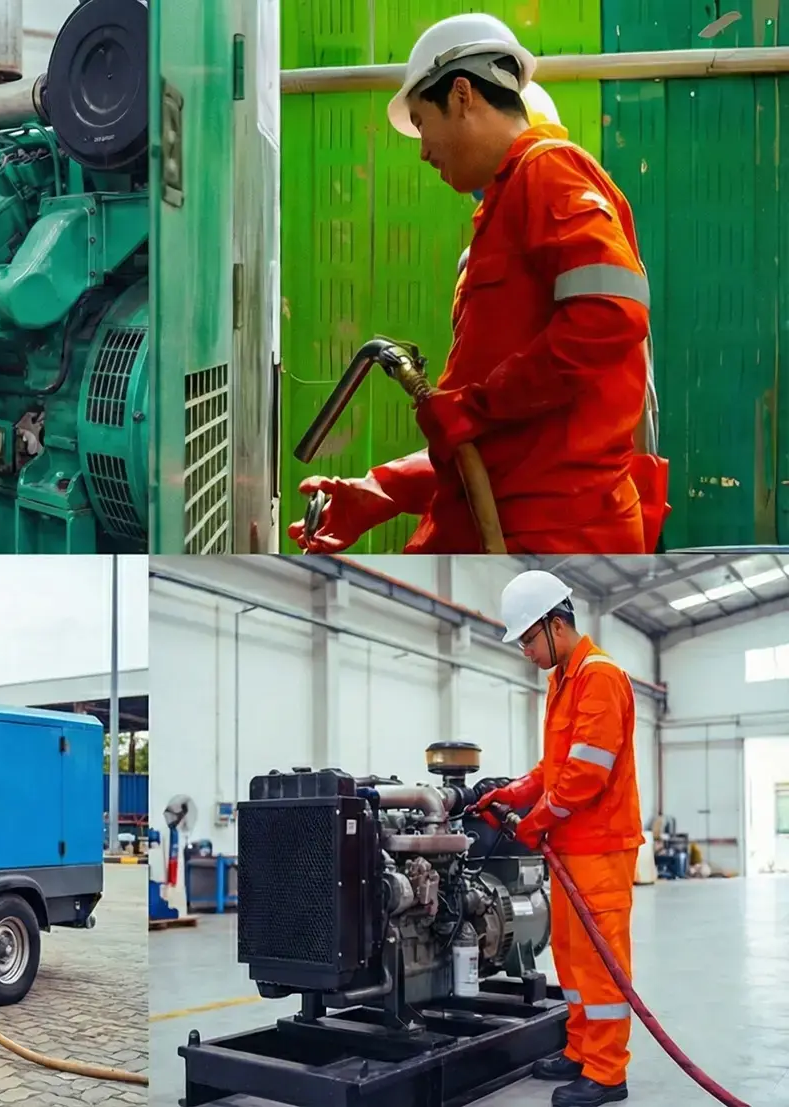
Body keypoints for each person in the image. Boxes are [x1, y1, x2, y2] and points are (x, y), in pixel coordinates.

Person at [290, 13, 668, 557]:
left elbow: (610, 315)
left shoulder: (549, 173)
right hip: (505, 523)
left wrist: (479, 404)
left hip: (549, 538)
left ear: (462, 95)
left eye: (422, 123)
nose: (422, 150)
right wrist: (382, 491)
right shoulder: (505, 212)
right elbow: (504, 438)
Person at [466, 570, 640, 1107]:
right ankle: (581, 1049)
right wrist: (514, 793)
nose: (525, 651)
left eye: (526, 639)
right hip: (570, 848)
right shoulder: (562, 681)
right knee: (568, 954)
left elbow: (587, 773)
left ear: (554, 625)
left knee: (599, 961)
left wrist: (535, 820)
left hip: (601, 847)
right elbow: (555, 765)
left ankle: (608, 1073)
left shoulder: (600, 677)